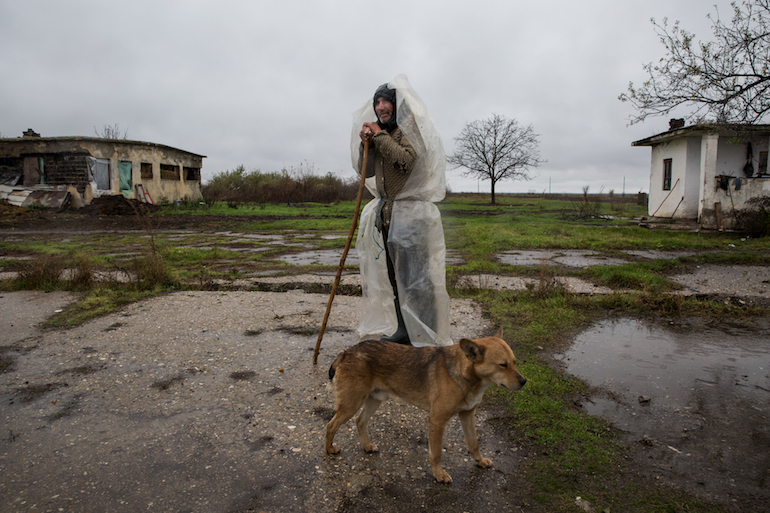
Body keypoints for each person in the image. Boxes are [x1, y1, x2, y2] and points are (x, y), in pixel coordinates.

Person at [351, 75, 452, 347]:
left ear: (397, 105)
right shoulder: (383, 135)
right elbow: (368, 171)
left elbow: (406, 161)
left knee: (418, 279)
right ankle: (405, 330)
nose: (381, 107)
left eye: (386, 101)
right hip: (388, 217)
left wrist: (380, 135)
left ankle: (427, 332)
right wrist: (366, 144)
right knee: (396, 277)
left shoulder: (409, 130)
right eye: (377, 102)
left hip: (412, 218)